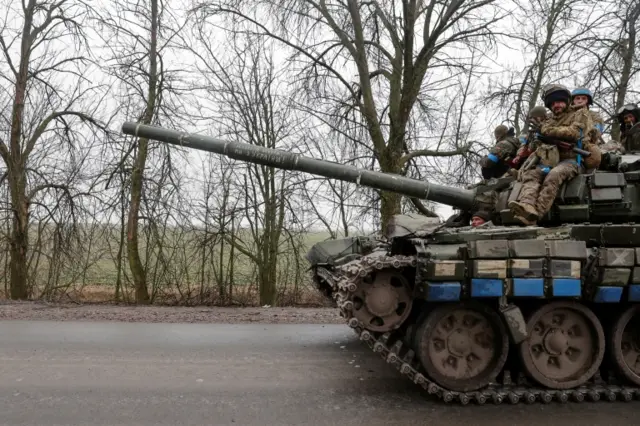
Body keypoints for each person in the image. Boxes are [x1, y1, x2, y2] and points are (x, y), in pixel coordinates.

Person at [508, 84, 596, 226]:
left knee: (554, 175)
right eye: (553, 103)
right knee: (531, 174)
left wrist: (545, 130)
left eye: (560, 101)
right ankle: (526, 206)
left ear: (567, 101)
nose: (556, 105)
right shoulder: (549, 120)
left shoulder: (580, 114)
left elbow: (573, 133)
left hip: (572, 160)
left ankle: (536, 215)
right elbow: (537, 143)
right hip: (549, 160)